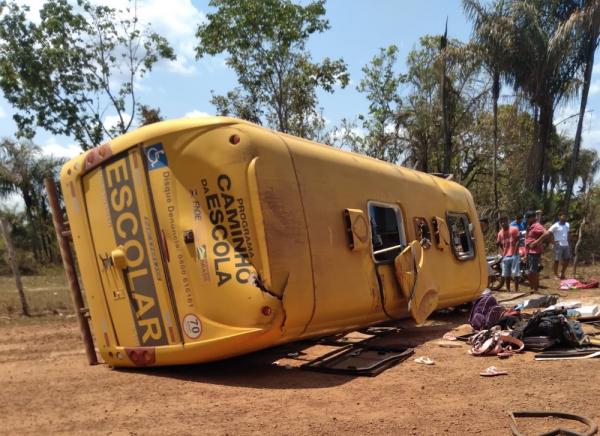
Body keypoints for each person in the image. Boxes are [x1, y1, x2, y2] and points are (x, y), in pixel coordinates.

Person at [538, 212, 571, 279]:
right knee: (557, 260)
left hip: (566, 244)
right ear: (559, 217)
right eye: (563, 216)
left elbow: (568, 233)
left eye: (565, 216)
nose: (564, 218)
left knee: (567, 259)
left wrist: (568, 241)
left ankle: (562, 273)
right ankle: (555, 275)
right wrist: (552, 241)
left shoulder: (567, 224)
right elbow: (548, 233)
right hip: (558, 245)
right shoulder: (555, 225)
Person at [496, 216, 520, 292]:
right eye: (501, 222)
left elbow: (518, 240)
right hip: (505, 255)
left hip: (514, 255)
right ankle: (508, 290)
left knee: (516, 274)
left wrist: (515, 252)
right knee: (507, 274)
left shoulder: (514, 229)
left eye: (504, 221)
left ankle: (516, 290)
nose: (503, 223)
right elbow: (498, 243)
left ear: (507, 221)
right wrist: (503, 251)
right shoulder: (500, 233)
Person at [525, 210, 546, 292]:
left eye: (528, 218)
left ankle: (535, 289)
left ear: (533, 218)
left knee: (533, 271)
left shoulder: (537, 225)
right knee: (530, 272)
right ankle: (532, 288)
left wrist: (536, 242)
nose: (526, 219)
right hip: (529, 252)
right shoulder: (530, 226)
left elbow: (546, 233)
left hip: (535, 252)